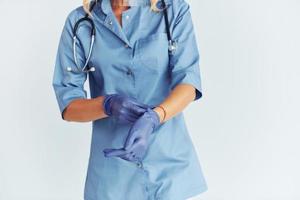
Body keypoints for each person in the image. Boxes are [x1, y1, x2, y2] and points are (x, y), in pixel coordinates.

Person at [52, 0, 208, 199]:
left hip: (169, 171)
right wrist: (107, 104)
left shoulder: (172, 10)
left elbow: (188, 82)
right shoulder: (82, 22)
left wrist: (154, 117)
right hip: (113, 178)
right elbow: (69, 103)